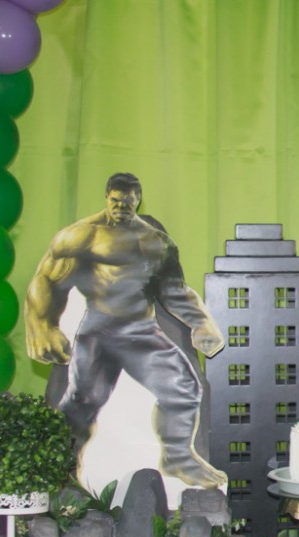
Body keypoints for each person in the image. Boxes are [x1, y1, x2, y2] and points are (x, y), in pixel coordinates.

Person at [25, 172, 227, 489]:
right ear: (107, 197)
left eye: (128, 201)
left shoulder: (155, 242)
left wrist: (201, 322)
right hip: (98, 331)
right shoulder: (82, 236)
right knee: (82, 400)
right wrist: (41, 325)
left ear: (138, 200)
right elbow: (47, 278)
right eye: (116, 200)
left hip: (140, 332)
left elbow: (173, 291)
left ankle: (179, 457)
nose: (121, 207)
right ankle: (62, 466)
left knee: (183, 387)